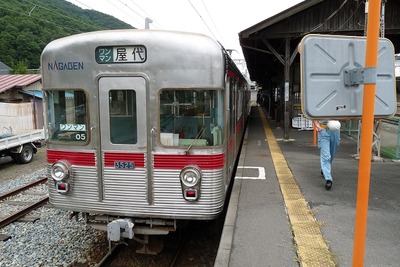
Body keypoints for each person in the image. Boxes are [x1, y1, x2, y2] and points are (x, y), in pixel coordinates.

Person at [314, 120, 341, 190]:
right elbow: (313, 116)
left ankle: (324, 170)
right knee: (326, 156)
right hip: (323, 130)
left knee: (332, 154)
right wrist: (317, 125)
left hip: (335, 130)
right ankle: (328, 179)